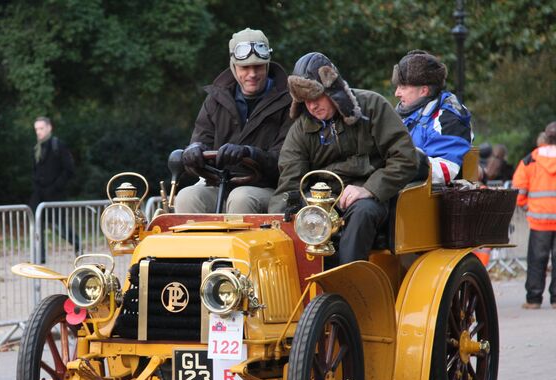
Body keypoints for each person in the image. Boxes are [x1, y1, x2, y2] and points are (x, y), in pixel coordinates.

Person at [269, 52, 417, 264]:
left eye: (316, 97)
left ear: (333, 91)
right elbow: (291, 183)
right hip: (320, 201)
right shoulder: (300, 129)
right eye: (305, 100)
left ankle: (349, 286)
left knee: (363, 212)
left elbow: (405, 158)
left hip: (370, 196)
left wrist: (369, 189)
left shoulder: (372, 106)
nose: (311, 106)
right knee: (296, 215)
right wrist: (280, 219)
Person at [175, 28, 292, 214]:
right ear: (233, 66)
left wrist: (251, 153)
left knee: (241, 199)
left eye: (258, 66)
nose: (252, 74)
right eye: (245, 67)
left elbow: (287, 162)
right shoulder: (215, 99)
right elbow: (199, 143)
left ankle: (243, 244)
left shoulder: (288, 102)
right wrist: (193, 153)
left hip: (269, 188)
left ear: (267, 65)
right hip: (218, 183)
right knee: (186, 197)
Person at [392, 50, 472, 185]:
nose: (396, 93)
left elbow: (446, 169)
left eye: (403, 87)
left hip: (424, 196)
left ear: (424, 90)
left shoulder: (449, 119)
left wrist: (402, 163)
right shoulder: (404, 114)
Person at [512, 121, 556, 309]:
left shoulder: (531, 159)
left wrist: (524, 205)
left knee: (537, 259)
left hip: (540, 218)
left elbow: (519, 187)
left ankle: (534, 299)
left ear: (545, 137)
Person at [29, 116, 80, 261]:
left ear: (49, 128)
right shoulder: (36, 148)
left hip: (55, 194)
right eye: (36, 129)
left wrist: (56, 186)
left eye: (41, 128)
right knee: (37, 224)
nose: (38, 132)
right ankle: (41, 256)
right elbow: (35, 170)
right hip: (39, 194)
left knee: (60, 226)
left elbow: (69, 169)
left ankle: (77, 244)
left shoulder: (58, 145)